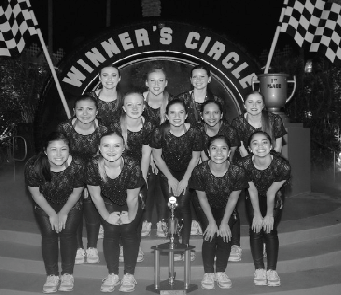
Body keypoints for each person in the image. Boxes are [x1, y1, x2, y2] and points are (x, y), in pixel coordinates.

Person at [229, 90, 287, 262]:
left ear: (263, 105)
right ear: (244, 105)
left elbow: (277, 148)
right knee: (235, 203)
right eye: (250, 102)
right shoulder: (238, 122)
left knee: (269, 201)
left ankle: (266, 240)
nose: (254, 106)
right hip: (244, 168)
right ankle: (234, 244)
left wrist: (267, 166)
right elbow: (240, 149)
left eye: (258, 102)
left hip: (271, 166)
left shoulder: (274, 120)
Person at [25, 132, 85, 293]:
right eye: (53, 149)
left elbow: (76, 192)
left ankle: (67, 273)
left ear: (69, 150)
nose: (59, 154)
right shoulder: (34, 165)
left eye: (63, 149)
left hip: (71, 203)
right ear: (45, 150)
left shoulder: (78, 165)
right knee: (49, 235)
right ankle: (52, 275)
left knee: (67, 234)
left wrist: (64, 211)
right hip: (44, 203)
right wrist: (52, 213)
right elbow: (36, 194)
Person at [86, 131, 145, 293]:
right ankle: (112, 274)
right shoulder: (92, 164)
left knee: (128, 230)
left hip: (132, 198)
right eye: (106, 145)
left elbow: (132, 198)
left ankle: (129, 274)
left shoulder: (132, 164)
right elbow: (95, 196)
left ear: (123, 148)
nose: (111, 150)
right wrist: (106, 216)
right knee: (110, 230)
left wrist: (130, 217)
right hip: (107, 199)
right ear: (99, 148)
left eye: (116, 145)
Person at [189, 135, 247, 289]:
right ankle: (208, 273)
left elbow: (234, 199)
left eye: (223, 148)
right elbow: (201, 198)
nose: (219, 152)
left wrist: (224, 223)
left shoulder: (237, 172)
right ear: (208, 151)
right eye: (214, 148)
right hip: (204, 205)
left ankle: (220, 271)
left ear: (229, 152)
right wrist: (213, 222)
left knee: (225, 233)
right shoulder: (200, 171)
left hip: (226, 205)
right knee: (210, 232)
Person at [57, 94, 108, 265]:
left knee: (92, 206)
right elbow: (60, 155)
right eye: (80, 109)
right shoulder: (64, 128)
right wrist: (79, 182)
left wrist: (90, 182)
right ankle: (78, 247)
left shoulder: (103, 129)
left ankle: (92, 247)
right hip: (71, 173)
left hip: (96, 173)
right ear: (74, 111)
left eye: (90, 109)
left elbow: (105, 157)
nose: (85, 113)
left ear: (97, 111)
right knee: (76, 208)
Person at [176, 64, 227, 235]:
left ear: (209, 79)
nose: (198, 80)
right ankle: (188, 222)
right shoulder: (181, 99)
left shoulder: (218, 101)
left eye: (202, 76)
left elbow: (220, 127)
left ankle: (202, 219)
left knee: (206, 185)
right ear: (190, 80)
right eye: (195, 77)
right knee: (189, 185)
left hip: (211, 150)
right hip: (185, 149)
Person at [150, 98, 203, 261]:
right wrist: (171, 179)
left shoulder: (194, 131)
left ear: (186, 115)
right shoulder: (159, 131)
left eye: (181, 112)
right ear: (166, 116)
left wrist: (186, 180)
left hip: (188, 171)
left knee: (185, 206)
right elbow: (157, 158)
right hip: (167, 173)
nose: (177, 116)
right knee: (173, 206)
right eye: (172, 113)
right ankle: (175, 243)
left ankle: (186, 247)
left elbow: (195, 159)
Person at [237, 131, 291, 287]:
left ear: (271, 145)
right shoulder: (244, 164)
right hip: (254, 195)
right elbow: (252, 190)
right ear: (249, 148)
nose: (260, 146)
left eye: (264, 142)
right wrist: (257, 215)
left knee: (269, 229)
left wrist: (268, 215)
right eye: (255, 143)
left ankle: (272, 270)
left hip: (274, 195)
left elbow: (271, 192)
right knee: (256, 228)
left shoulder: (282, 165)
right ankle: (259, 268)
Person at [110, 91, 154, 263]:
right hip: (117, 173)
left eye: (138, 105)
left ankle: (135, 247)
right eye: (130, 105)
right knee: (121, 212)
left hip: (140, 173)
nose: (134, 108)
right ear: (123, 108)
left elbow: (146, 155)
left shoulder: (149, 126)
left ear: (144, 107)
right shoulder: (114, 125)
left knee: (136, 214)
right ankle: (122, 246)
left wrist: (141, 182)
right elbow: (110, 154)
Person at [141, 66, 171, 238]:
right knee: (147, 178)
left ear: (166, 83)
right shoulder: (138, 100)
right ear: (146, 83)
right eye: (152, 80)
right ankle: (145, 219)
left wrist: (157, 156)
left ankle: (162, 220)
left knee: (162, 177)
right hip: (141, 150)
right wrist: (149, 155)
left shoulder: (171, 102)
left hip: (164, 151)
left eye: (160, 80)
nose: (156, 84)